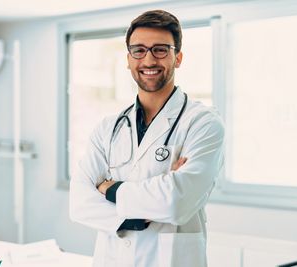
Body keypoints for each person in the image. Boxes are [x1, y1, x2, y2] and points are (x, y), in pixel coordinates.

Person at [69, 9, 224, 267]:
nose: (149, 60)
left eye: (160, 50)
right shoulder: (108, 128)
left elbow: (176, 202)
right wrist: (148, 206)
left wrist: (110, 188)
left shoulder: (203, 123)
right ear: (128, 59)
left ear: (178, 58)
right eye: (138, 50)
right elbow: (79, 202)